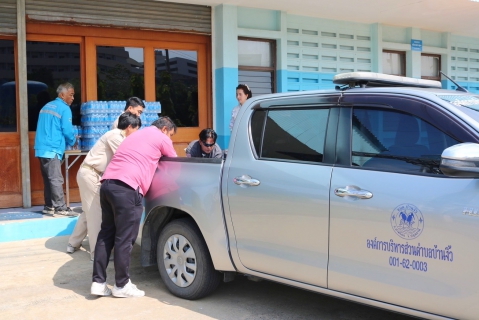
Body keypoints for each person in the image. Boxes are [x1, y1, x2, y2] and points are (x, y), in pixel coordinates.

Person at [91, 116, 177, 298]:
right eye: (170, 136)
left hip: (107, 184)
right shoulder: (161, 137)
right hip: (127, 189)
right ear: (164, 130)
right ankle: (122, 285)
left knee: (106, 234)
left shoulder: (136, 135)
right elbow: (175, 162)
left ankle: (98, 282)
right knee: (124, 238)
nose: (169, 140)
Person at [66, 112, 142, 260]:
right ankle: (97, 254)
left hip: (94, 175)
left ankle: (73, 243)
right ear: (129, 127)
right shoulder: (115, 136)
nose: (137, 133)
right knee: (96, 215)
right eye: (136, 129)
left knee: (89, 211)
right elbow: (127, 156)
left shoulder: (118, 135)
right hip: (90, 174)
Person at [34, 82, 78, 217]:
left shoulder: (46, 107)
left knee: (48, 179)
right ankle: (60, 208)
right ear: (62, 94)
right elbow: (67, 129)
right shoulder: (64, 108)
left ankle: (49, 206)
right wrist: (73, 140)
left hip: (41, 148)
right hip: (52, 148)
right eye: (71, 95)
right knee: (56, 179)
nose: (73, 98)